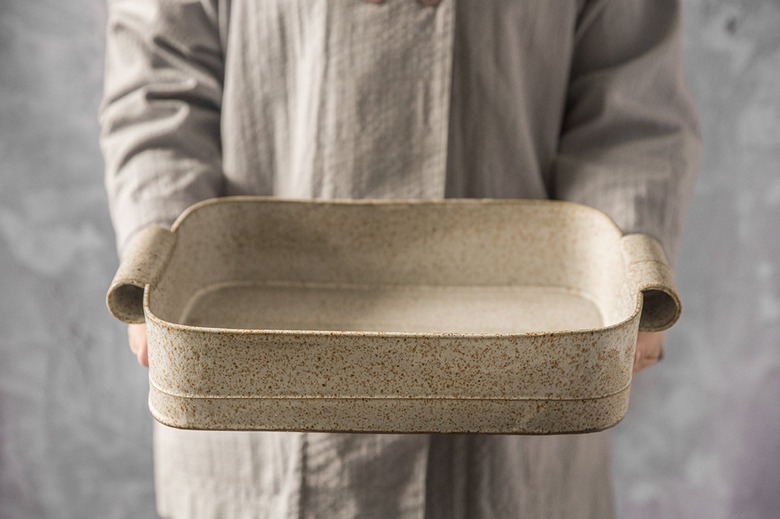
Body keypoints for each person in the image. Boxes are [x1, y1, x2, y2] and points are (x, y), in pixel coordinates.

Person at [100, 0, 700, 517]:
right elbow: (160, 86)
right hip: (252, 412)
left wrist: (630, 270)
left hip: (521, 409)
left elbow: (629, 110)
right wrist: (162, 260)